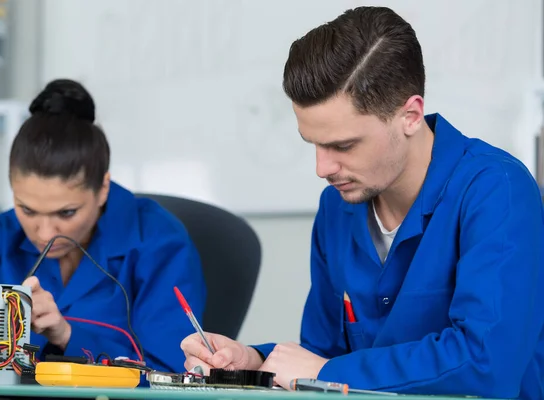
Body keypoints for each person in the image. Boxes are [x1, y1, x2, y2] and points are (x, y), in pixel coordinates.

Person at [180, 6, 544, 399]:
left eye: (343, 145)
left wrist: (329, 371)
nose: (323, 167)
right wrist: (255, 361)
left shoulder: (498, 191)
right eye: (314, 144)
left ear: (410, 115)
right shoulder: (337, 207)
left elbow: (485, 362)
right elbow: (321, 357)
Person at [0, 79, 207, 376]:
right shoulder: (5, 232)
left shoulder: (159, 239)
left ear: (102, 188)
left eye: (67, 212)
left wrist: (66, 336)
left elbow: (172, 374)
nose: (45, 233)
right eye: (27, 209)